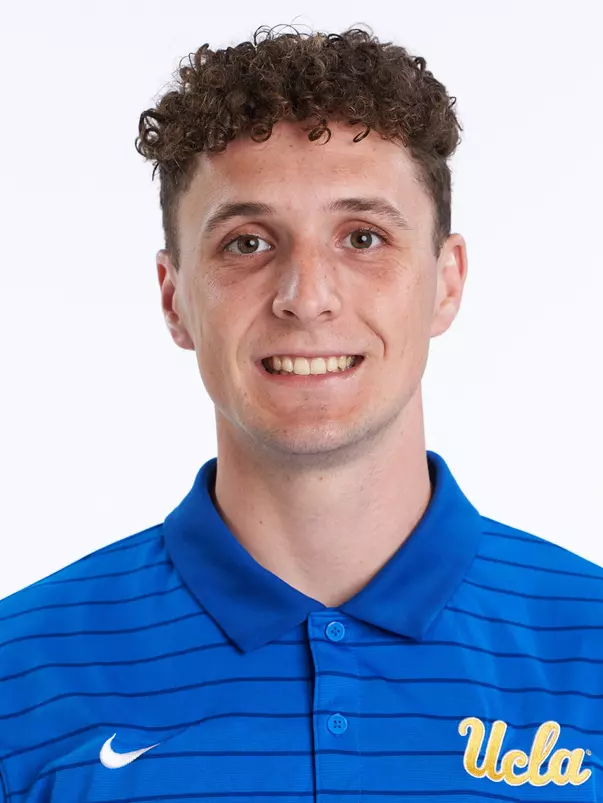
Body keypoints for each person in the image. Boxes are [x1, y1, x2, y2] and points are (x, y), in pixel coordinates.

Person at [0, 24, 601, 803]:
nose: (306, 295)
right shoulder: (20, 673)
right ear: (173, 297)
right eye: (247, 243)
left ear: (445, 281)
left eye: (362, 236)